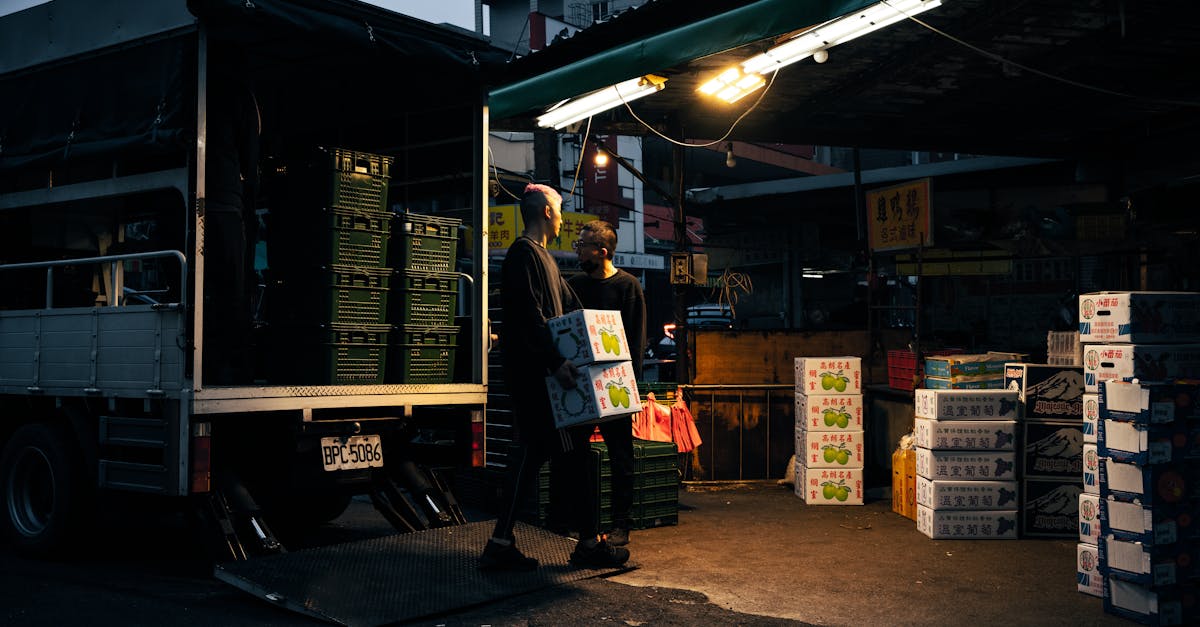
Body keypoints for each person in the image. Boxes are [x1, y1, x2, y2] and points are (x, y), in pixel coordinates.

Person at [479, 184, 630, 571]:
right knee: (571, 455)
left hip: (543, 378)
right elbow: (530, 316)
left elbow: (573, 308)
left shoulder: (543, 258)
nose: (563, 219)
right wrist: (555, 363)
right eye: (560, 212)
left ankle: (502, 542)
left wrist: (600, 343)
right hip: (541, 382)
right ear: (547, 212)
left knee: (535, 456)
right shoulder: (523, 255)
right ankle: (585, 543)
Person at [561, 219, 646, 547]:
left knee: (620, 457)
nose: (579, 251)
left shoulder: (628, 286)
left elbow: (636, 340)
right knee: (575, 454)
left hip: (616, 383)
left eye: (583, 246)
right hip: (580, 382)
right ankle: (578, 521)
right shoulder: (575, 285)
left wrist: (631, 387)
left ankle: (621, 523)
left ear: (603, 251)